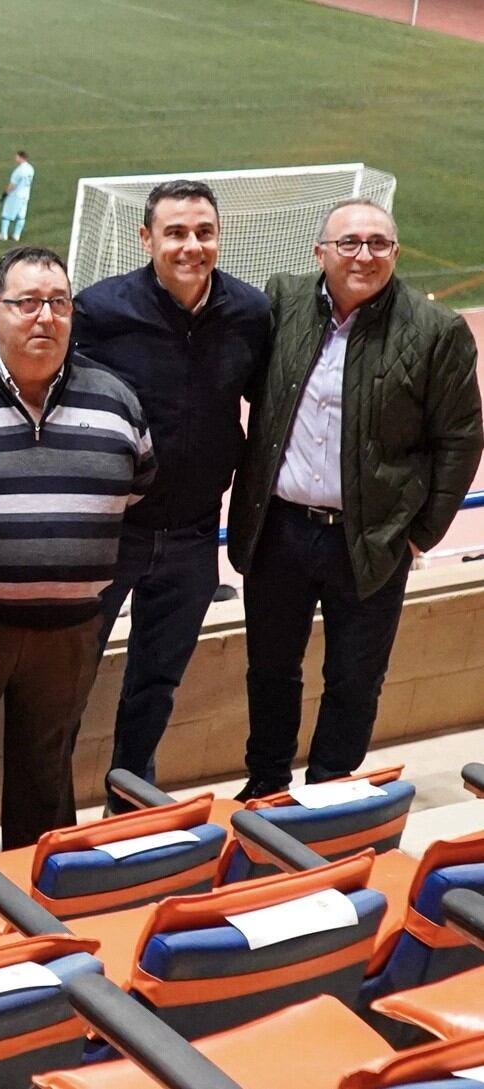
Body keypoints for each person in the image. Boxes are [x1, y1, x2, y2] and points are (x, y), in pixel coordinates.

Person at [227, 199, 482, 798]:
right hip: (281, 530)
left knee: (354, 678)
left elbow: (460, 439)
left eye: (378, 243)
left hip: (371, 539)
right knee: (269, 670)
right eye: (349, 243)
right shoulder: (283, 302)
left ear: (395, 252)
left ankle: (327, 794)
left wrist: (422, 532)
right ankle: (265, 785)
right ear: (320, 252)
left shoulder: (435, 330)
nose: (363, 255)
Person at [0, 247, 154, 849]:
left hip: (67, 636)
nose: (45, 316)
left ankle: (34, 914)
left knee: (45, 785)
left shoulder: (118, 400)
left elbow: (138, 488)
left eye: (59, 303)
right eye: (27, 303)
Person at [70, 180, 270, 809]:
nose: (191, 245)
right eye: (175, 233)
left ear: (219, 236)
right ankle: (47, 810)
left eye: (203, 232)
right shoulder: (100, 312)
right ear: (146, 238)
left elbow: (268, 410)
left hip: (192, 535)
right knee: (68, 681)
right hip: (109, 534)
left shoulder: (251, 313)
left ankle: (126, 807)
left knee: (156, 682)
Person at [0, 151, 35, 241]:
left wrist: (5, 194)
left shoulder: (19, 170)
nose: (15, 159)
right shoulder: (30, 168)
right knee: (21, 216)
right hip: (25, 195)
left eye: (17, 157)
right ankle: (17, 235)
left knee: (6, 214)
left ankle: (3, 235)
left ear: (21, 158)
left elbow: (12, 185)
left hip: (16, 196)